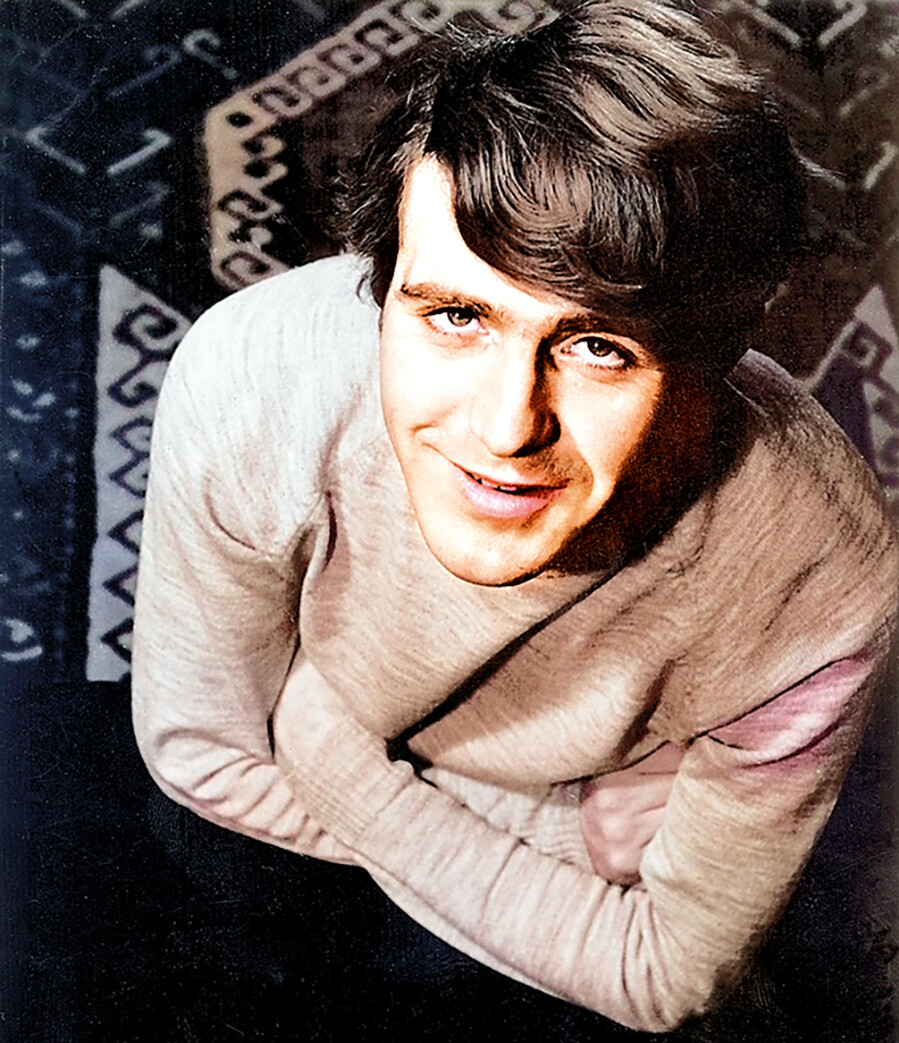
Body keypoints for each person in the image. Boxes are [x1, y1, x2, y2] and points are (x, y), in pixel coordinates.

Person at [132, 0, 899, 1033]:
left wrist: (315, 733)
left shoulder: (823, 585)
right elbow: (206, 760)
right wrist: (574, 837)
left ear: (714, 358)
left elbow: (663, 974)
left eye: (598, 346)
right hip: (307, 834)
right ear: (380, 293)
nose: (505, 429)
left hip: (429, 802)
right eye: (456, 316)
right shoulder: (250, 382)